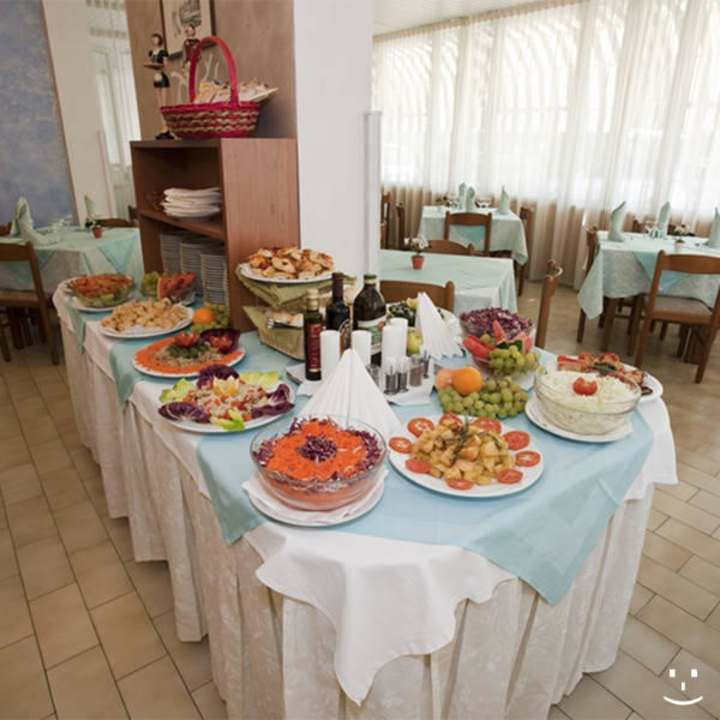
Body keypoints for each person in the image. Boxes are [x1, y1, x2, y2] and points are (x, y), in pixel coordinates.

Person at [144, 33, 172, 139]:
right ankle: (163, 126)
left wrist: (158, 66)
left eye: (155, 39)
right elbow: (151, 63)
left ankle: (166, 127)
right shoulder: (151, 52)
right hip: (155, 78)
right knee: (159, 105)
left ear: (159, 40)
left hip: (162, 77)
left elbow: (165, 65)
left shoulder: (163, 52)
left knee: (164, 105)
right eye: (153, 39)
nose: (154, 41)